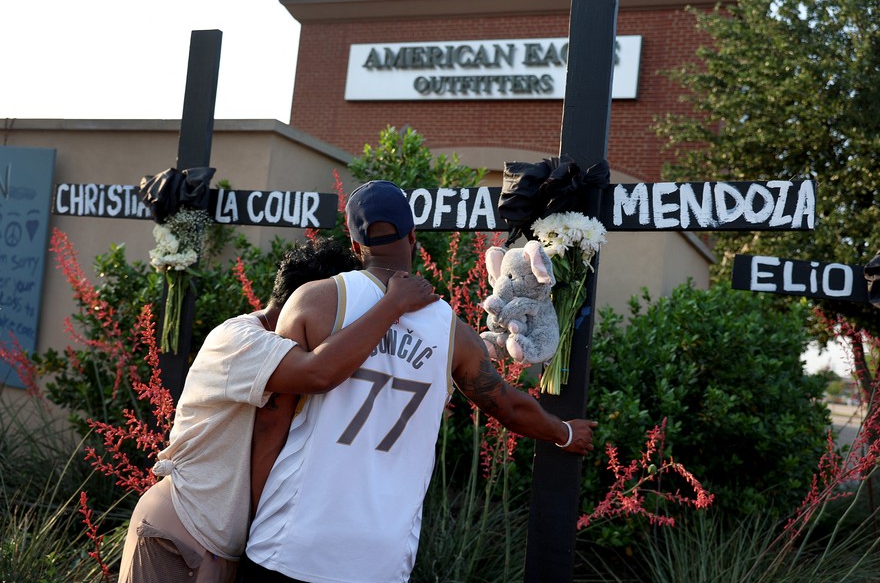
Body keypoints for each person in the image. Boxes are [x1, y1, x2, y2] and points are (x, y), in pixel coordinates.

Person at [241, 180, 597, 583]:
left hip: (290, 543)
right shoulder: (453, 332)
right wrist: (563, 432)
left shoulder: (312, 301)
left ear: (356, 245)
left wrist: (253, 518)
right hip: (381, 558)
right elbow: (508, 405)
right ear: (413, 235)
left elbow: (272, 422)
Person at [118, 237, 439, 583]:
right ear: (309, 301)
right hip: (180, 530)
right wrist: (392, 304)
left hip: (221, 544)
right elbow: (319, 372)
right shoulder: (242, 340)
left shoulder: (276, 346)